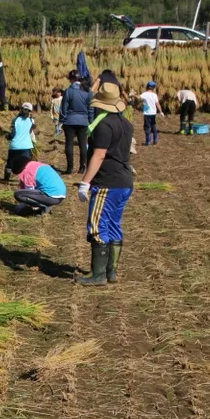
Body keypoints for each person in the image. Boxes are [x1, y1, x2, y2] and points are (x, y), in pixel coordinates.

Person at [76, 80, 133, 286]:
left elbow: (99, 155)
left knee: (98, 225)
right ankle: (111, 272)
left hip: (108, 183)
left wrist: (85, 182)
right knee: (114, 225)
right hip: (125, 182)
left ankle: (98, 275)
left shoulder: (104, 125)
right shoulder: (127, 124)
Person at [60, 69, 94, 175]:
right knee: (83, 145)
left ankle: (70, 168)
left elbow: (63, 108)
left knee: (69, 144)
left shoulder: (68, 91)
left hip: (70, 121)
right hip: (83, 121)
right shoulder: (88, 91)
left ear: (72, 79)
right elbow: (91, 108)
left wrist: (62, 120)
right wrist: (91, 121)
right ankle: (82, 167)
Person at [4, 102, 36, 181]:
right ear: (30, 111)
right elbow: (30, 132)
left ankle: (6, 179)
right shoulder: (32, 121)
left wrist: (7, 136)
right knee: (26, 165)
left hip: (14, 147)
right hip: (26, 147)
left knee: (9, 164)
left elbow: (13, 134)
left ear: (21, 109)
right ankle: (26, 180)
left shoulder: (15, 120)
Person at [140, 81, 164, 146]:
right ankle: (155, 140)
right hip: (153, 113)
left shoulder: (144, 94)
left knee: (147, 127)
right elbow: (157, 104)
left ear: (147, 87)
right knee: (153, 126)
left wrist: (133, 94)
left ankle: (148, 142)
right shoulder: (154, 95)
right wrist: (161, 111)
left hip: (147, 113)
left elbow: (138, 98)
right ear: (153, 88)